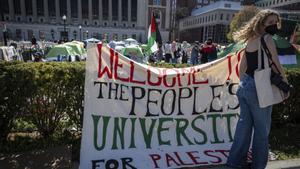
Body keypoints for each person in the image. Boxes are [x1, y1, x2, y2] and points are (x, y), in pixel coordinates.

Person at [226, 9, 289, 169]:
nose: (274, 25)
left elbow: (242, 67)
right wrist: (285, 83)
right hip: (259, 88)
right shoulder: (268, 39)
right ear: (261, 24)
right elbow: (275, 63)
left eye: (276, 22)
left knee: (244, 127)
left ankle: (235, 162)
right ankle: (258, 165)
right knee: (262, 130)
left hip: (245, 86)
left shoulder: (251, 39)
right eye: (270, 23)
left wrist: (245, 83)